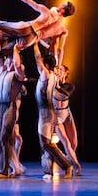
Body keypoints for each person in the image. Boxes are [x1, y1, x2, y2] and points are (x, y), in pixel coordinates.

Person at [0, 0, 75, 67]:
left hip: (29, 28)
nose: (60, 3)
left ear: (63, 10)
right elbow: (59, 49)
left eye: (63, 4)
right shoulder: (63, 29)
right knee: (5, 51)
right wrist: (58, 65)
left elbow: (28, 0)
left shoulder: (49, 13)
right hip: (33, 39)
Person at [33, 44, 73, 179]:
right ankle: (48, 171)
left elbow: (37, 57)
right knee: (45, 144)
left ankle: (67, 165)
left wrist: (34, 44)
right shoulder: (54, 77)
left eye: (43, 64)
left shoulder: (45, 74)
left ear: (46, 65)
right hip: (48, 111)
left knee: (45, 143)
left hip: (45, 112)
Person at [0, 40, 26, 179]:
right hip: (0, 106)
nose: (7, 62)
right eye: (7, 60)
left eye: (10, 60)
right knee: (0, 139)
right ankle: (3, 169)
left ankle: (4, 171)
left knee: (5, 137)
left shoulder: (18, 74)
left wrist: (16, 50)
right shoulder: (3, 72)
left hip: (10, 107)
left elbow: (17, 64)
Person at [53, 63, 81, 176]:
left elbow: (66, 94)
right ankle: (77, 165)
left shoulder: (69, 86)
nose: (58, 71)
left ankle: (66, 159)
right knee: (66, 143)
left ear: (65, 73)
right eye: (57, 69)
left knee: (74, 144)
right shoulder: (52, 84)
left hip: (67, 113)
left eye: (61, 70)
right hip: (57, 115)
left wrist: (57, 87)